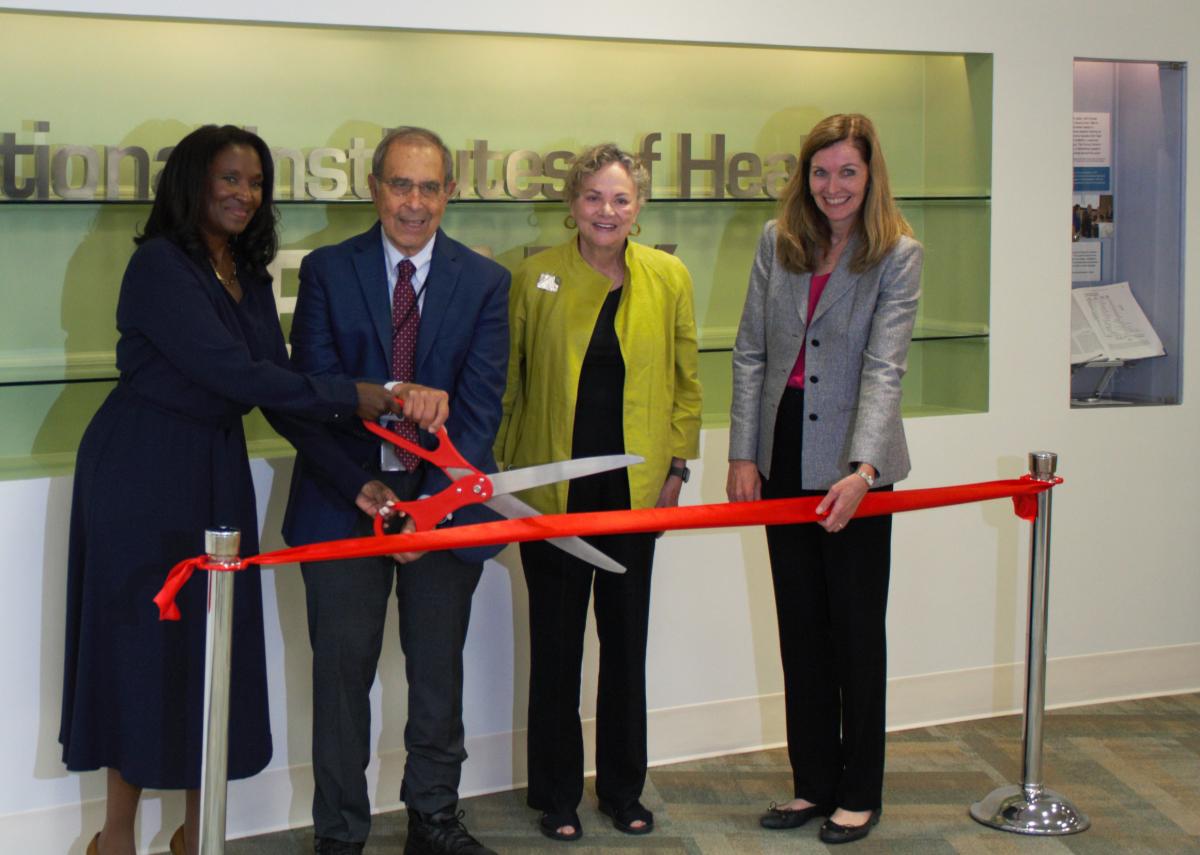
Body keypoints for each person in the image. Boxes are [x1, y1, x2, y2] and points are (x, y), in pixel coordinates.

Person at [59, 125, 447, 855]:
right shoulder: (159, 267)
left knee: (213, 651)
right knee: (142, 652)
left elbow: (283, 396)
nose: (244, 192)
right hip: (140, 474)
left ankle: (196, 837)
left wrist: (357, 482)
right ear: (193, 184)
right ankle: (113, 839)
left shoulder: (246, 270)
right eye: (229, 178)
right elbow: (240, 377)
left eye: (256, 180)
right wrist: (369, 394)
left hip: (214, 472)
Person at [281, 126, 510, 855]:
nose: (414, 203)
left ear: (450, 191)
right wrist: (372, 468)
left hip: (442, 509)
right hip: (345, 496)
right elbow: (313, 396)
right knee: (342, 678)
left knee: (437, 673)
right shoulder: (325, 270)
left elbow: (479, 407)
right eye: (400, 185)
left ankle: (434, 817)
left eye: (430, 187)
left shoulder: (485, 282)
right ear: (375, 187)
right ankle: (340, 833)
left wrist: (429, 506)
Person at [495, 143, 702, 842]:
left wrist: (678, 467)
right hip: (551, 494)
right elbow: (509, 383)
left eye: (619, 199)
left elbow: (686, 381)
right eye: (593, 197)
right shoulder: (535, 278)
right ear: (571, 205)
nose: (606, 211)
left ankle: (622, 789)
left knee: (625, 648)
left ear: (638, 208)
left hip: (634, 496)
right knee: (554, 649)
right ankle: (554, 794)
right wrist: (500, 479)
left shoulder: (669, 277)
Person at [726, 113, 922, 845]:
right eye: (820, 171)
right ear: (803, 177)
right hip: (783, 445)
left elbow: (885, 368)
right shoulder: (777, 244)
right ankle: (812, 782)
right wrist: (744, 453)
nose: (832, 186)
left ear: (870, 176)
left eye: (847, 172)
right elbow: (750, 352)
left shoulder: (897, 254)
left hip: (853, 462)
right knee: (800, 626)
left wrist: (864, 469)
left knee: (854, 630)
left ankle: (858, 791)